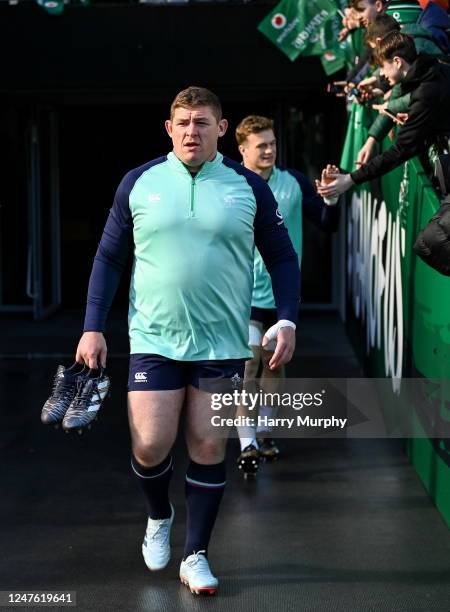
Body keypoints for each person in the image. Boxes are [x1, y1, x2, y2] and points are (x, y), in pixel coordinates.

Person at [74, 87, 300, 596]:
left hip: (222, 343)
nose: (191, 131)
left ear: (222, 129)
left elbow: (283, 257)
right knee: (150, 445)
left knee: (206, 445)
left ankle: (195, 554)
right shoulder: (139, 183)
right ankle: (159, 516)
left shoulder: (248, 187)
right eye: (182, 122)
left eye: (202, 122)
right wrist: (93, 325)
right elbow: (110, 258)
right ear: (169, 128)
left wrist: (285, 319)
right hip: (154, 337)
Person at [234, 115, 340, 477]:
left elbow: (326, 223)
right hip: (241, 296)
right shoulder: (230, 184)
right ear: (243, 149)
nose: (269, 150)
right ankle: (245, 443)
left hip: (282, 299)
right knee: (247, 365)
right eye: (261, 145)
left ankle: (264, 433)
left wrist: (331, 198)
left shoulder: (293, 182)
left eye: (273, 144)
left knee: (273, 364)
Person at [317, 31, 450, 199]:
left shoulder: (425, 91)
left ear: (397, 62)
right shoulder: (430, 70)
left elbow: (401, 149)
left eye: (382, 66)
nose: (380, 74)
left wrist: (351, 179)